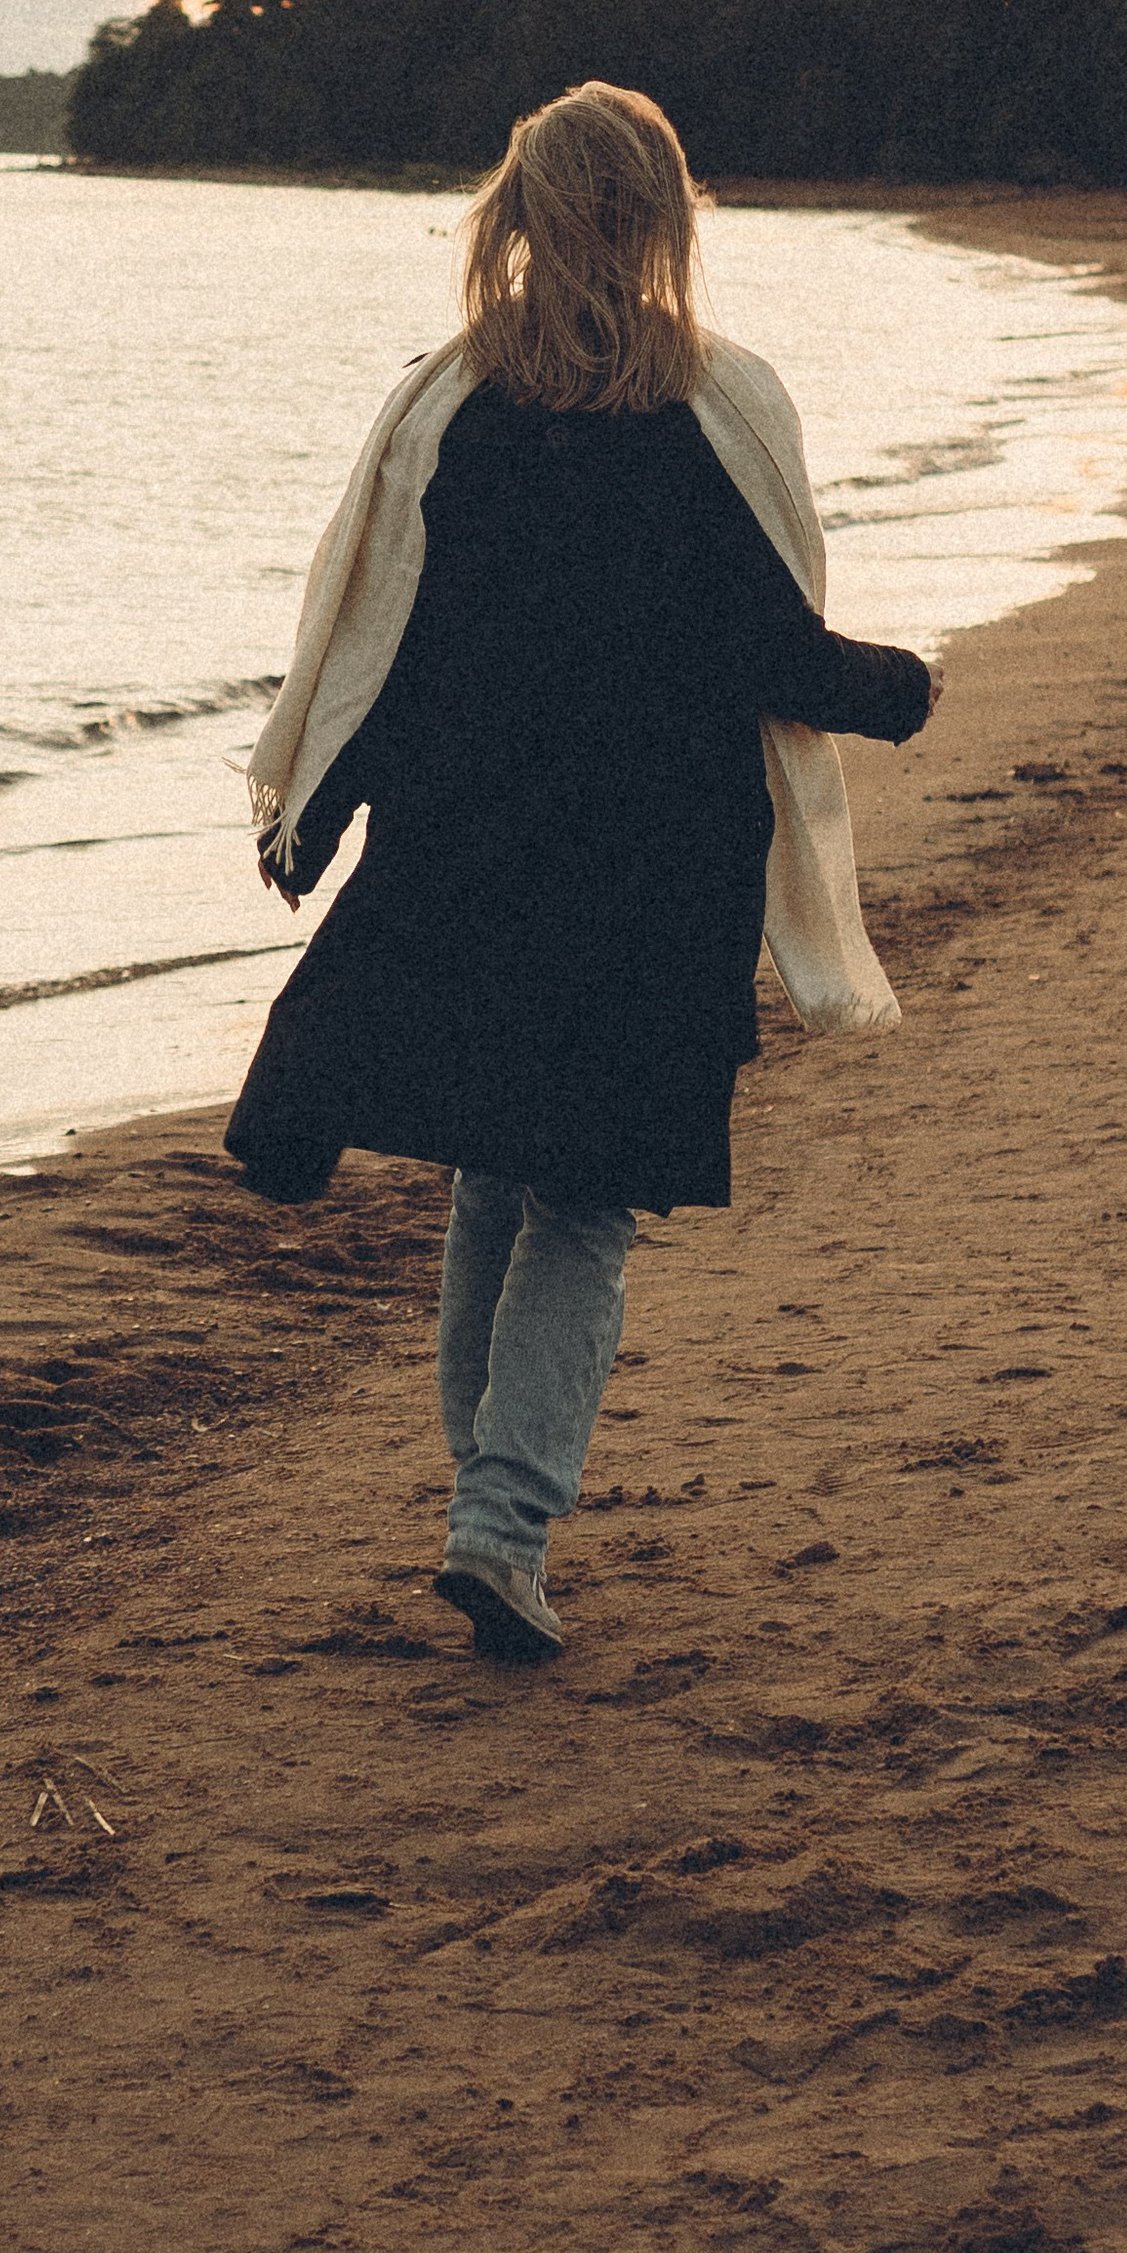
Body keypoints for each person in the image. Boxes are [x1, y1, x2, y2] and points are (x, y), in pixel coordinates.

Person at [223, 82, 939, 1668]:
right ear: (668, 217)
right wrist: (897, 690)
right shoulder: (716, 408)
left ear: (519, 217)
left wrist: (318, 803)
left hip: (474, 850)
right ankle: (503, 1520)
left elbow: (377, 633)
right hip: (653, 866)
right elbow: (767, 652)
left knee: (501, 1162)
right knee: (587, 1198)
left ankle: (486, 1495)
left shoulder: (448, 410)